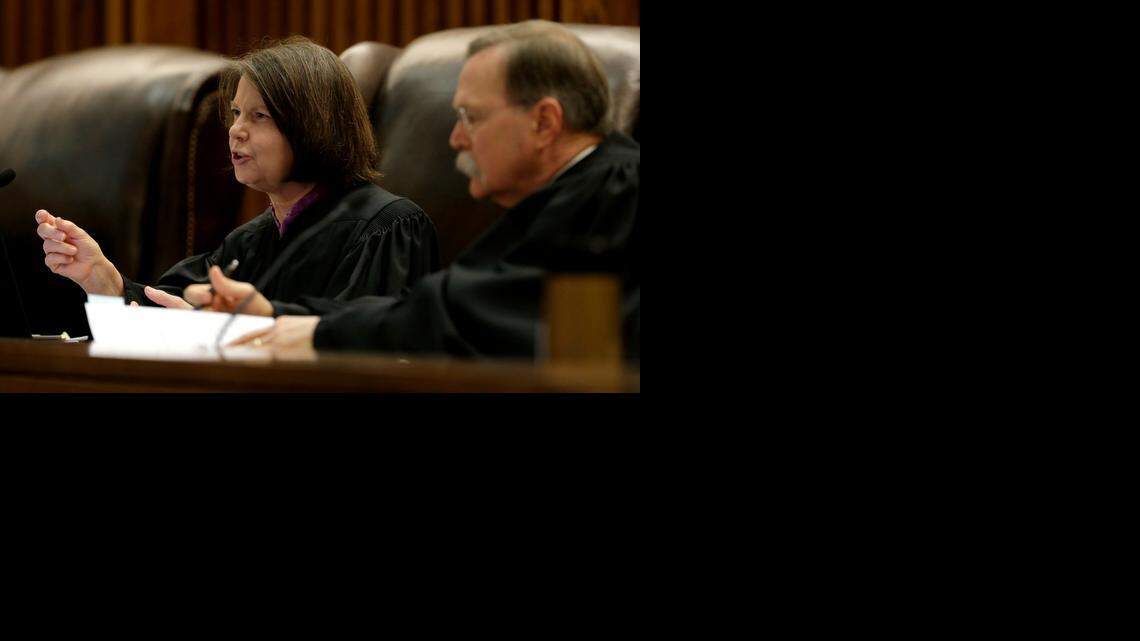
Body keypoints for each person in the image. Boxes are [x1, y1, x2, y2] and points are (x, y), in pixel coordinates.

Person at [196, 21, 639, 361]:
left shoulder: (618, 193)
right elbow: (444, 304)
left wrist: (312, 331)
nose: (456, 140)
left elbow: (474, 316)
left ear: (544, 122)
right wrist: (281, 318)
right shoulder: (574, 194)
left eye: (471, 117)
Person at [34, 36, 438, 314]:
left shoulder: (388, 228)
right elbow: (176, 307)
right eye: (235, 114)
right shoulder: (249, 241)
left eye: (259, 116)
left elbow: (361, 346)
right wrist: (106, 281)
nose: (236, 130)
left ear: (314, 125)